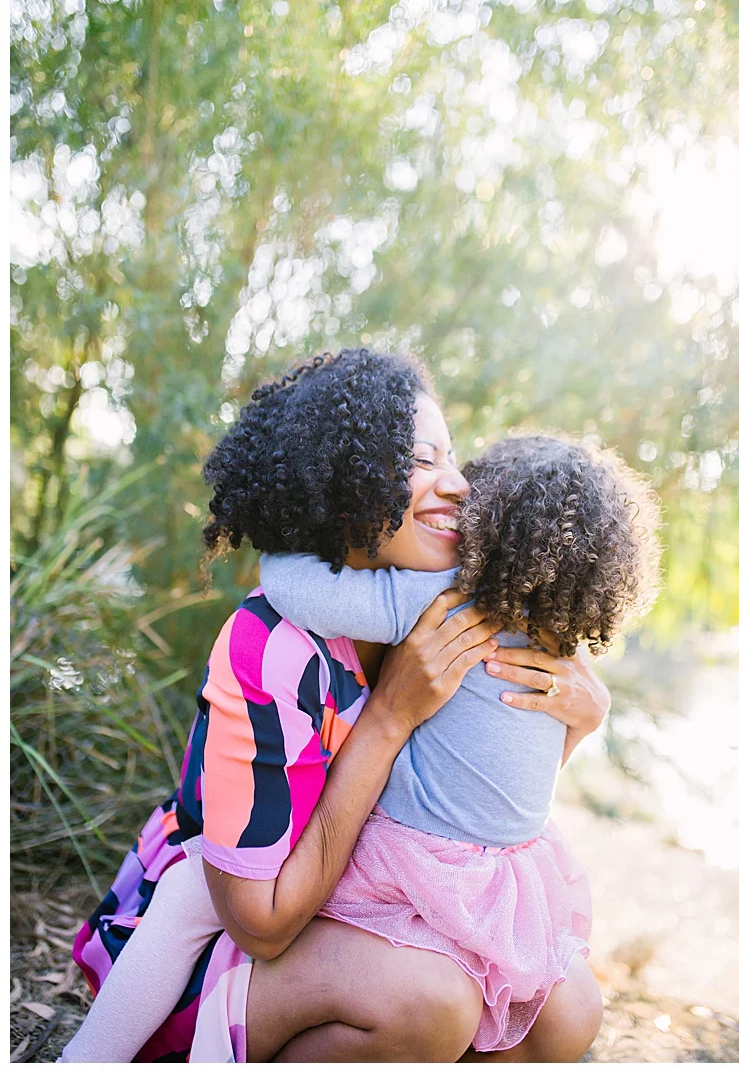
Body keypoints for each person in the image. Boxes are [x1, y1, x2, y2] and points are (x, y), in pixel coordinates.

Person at [67, 351, 610, 1061]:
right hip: (243, 928)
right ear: (344, 478)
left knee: (566, 1010)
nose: (456, 481)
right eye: (422, 459)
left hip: (381, 893)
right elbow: (260, 921)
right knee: (433, 1000)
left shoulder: (456, 603)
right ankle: (183, 1036)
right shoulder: (273, 644)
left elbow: (487, 788)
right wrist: (389, 717)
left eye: (453, 456)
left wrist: (581, 714)